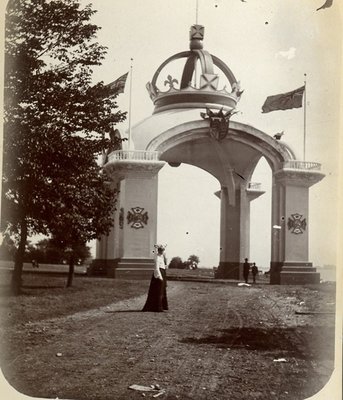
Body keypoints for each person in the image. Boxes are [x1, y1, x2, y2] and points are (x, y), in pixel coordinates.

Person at [142, 245, 168, 312]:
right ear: (158, 250)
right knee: (158, 291)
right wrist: (160, 277)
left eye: (163, 250)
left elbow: (164, 265)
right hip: (158, 274)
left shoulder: (161, 257)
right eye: (161, 250)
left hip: (163, 273)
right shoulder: (156, 257)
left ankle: (162, 306)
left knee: (162, 291)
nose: (162, 251)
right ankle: (157, 307)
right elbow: (156, 268)